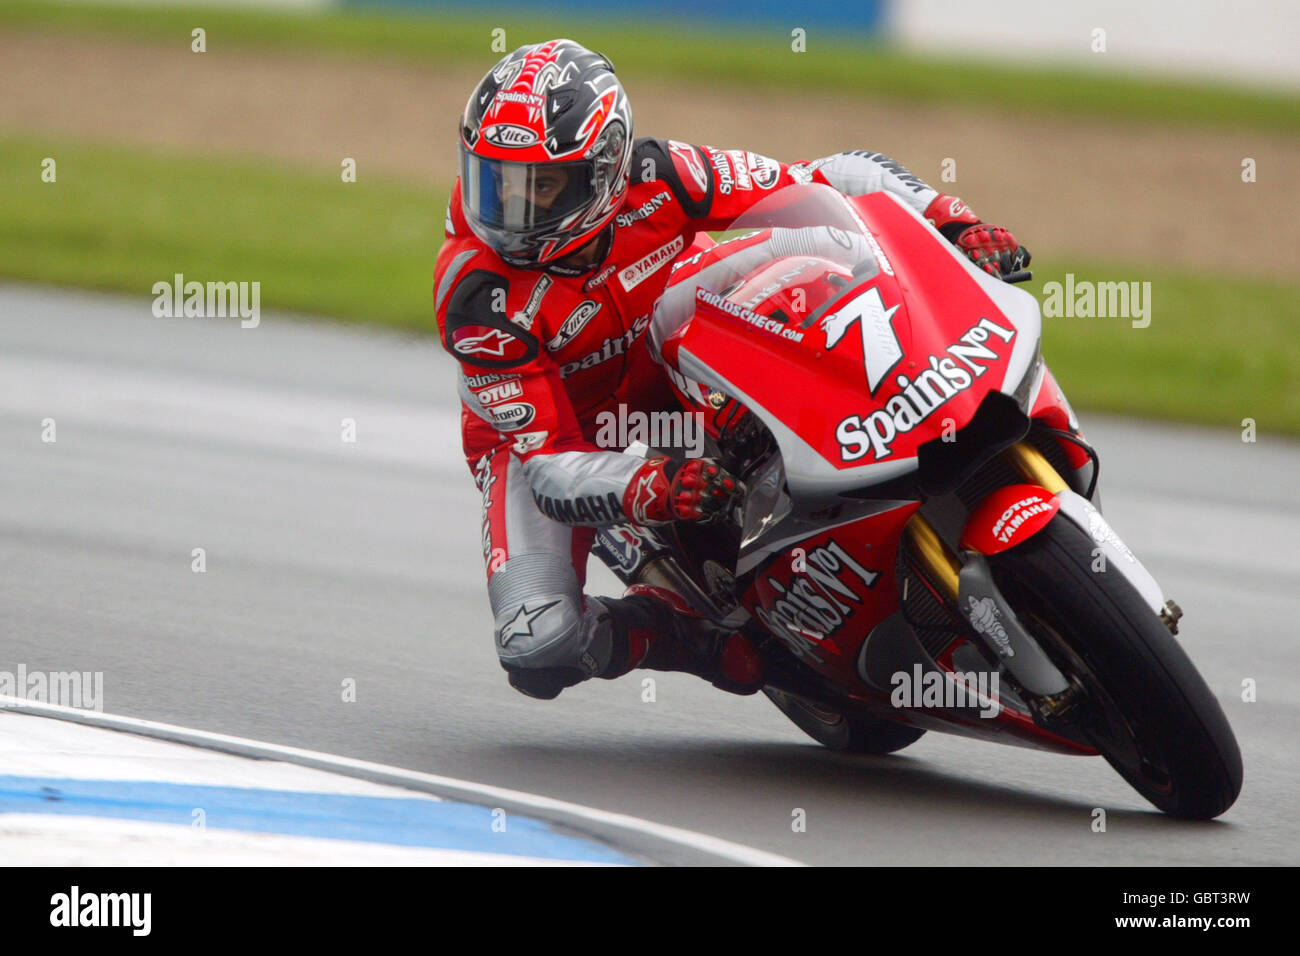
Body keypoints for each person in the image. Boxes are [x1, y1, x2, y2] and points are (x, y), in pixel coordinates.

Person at [433, 38, 1029, 700]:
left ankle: (889, 387)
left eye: (542, 187)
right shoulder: (477, 298)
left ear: (605, 168)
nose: (512, 213)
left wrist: (949, 222)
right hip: (562, 433)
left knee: (830, 232)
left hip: (666, 317)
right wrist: (648, 489)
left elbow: (826, 179)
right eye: (497, 181)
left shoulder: (659, 173)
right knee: (537, 643)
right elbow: (547, 465)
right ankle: (684, 632)